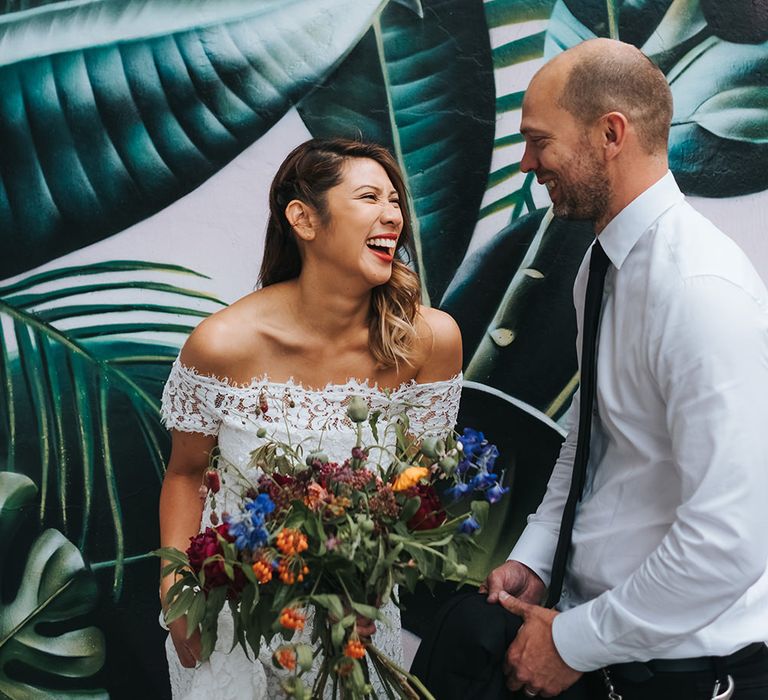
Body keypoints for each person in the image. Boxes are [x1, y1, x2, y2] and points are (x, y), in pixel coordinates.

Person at [411, 38, 768, 699]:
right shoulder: (600, 267)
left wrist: (573, 643)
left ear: (610, 134)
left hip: (678, 676)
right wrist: (536, 557)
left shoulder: (701, 289)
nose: (526, 163)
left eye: (539, 140)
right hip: (597, 643)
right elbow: (590, 437)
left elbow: (731, 538)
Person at [158, 138, 463, 699]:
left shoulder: (431, 341)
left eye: (394, 201)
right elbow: (185, 475)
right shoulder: (223, 345)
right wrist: (175, 592)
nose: (391, 215)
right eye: (369, 197)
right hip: (231, 618)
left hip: (356, 617)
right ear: (303, 218)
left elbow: (415, 492)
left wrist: (372, 583)